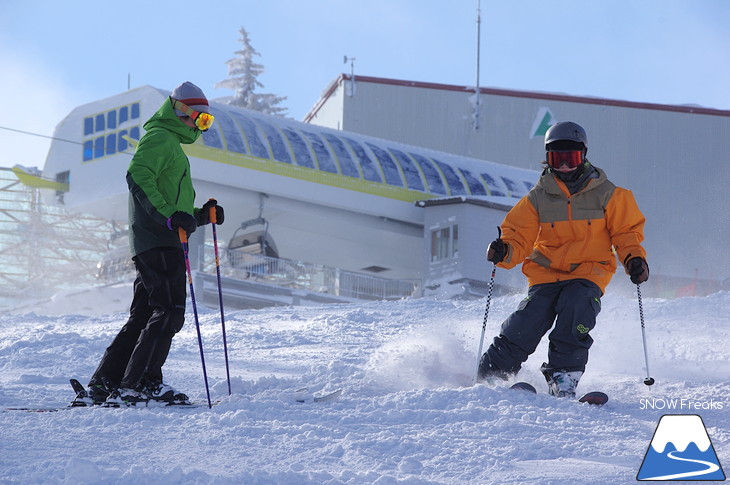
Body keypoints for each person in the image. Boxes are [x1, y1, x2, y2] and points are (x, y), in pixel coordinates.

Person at [76, 82, 225, 406]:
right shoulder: (160, 139)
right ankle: (141, 383)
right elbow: (138, 177)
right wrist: (171, 217)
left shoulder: (170, 144)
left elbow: (174, 212)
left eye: (206, 123)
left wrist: (201, 216)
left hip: (156, 239)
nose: (201, 127)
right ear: (179, 111)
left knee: (145, 315)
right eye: (200, 119)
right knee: (169, 311)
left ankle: (106, 383)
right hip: (158, 242)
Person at [477, 121, 649, 398]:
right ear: (548, 159)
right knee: (526, 321)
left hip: (588, 273)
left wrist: (634, 260)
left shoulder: (611, 195)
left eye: (571, 158)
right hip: (545, 275)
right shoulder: (537, 199)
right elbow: (518, 236)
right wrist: (504, 250)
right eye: (558, 159)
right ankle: (492, 375)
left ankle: (564, 378)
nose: (565, 166)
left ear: (584, 155)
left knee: (576, 310)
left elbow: (627, 234)